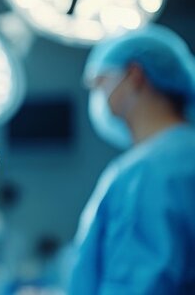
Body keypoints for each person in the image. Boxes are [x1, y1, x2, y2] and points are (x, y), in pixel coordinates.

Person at [71, 24, 195, 294]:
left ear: (135, 76)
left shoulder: (146, 172)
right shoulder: (184, 155)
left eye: (100, 82)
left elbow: (136, 284)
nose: (98, 96)